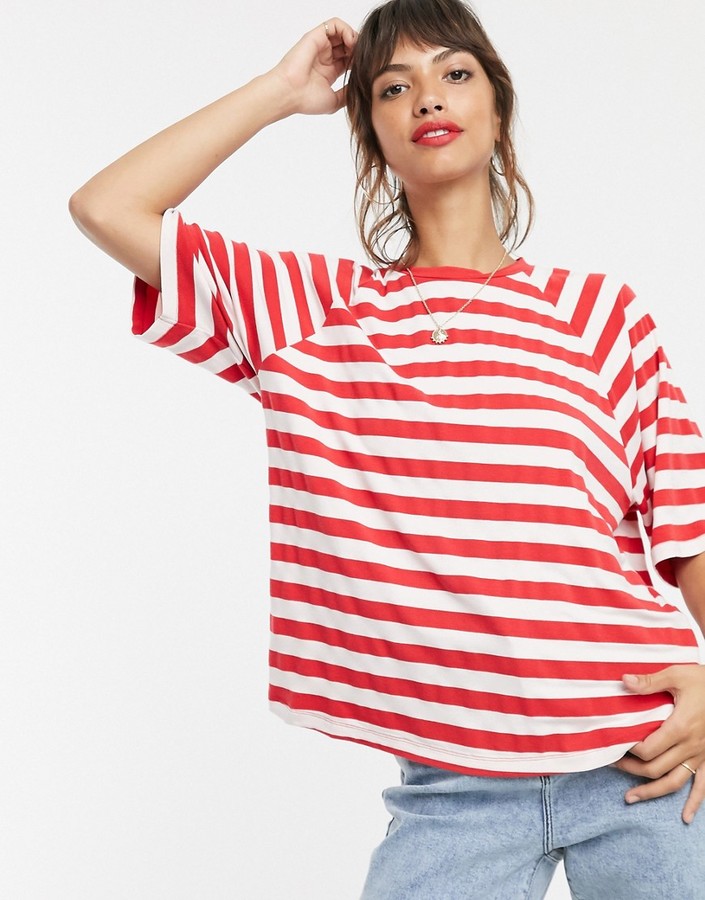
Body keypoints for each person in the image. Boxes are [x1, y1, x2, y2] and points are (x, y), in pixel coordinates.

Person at [69, 0, 705, 896]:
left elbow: (687, 525)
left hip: (648, 760)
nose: (427, 98)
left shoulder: (599, 315)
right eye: (393, 88)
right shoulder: (310, 314)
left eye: (454, 73)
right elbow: (105, 206)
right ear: (370, 135)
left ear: (498, 110)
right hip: (453, 791)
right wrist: (279, 90)